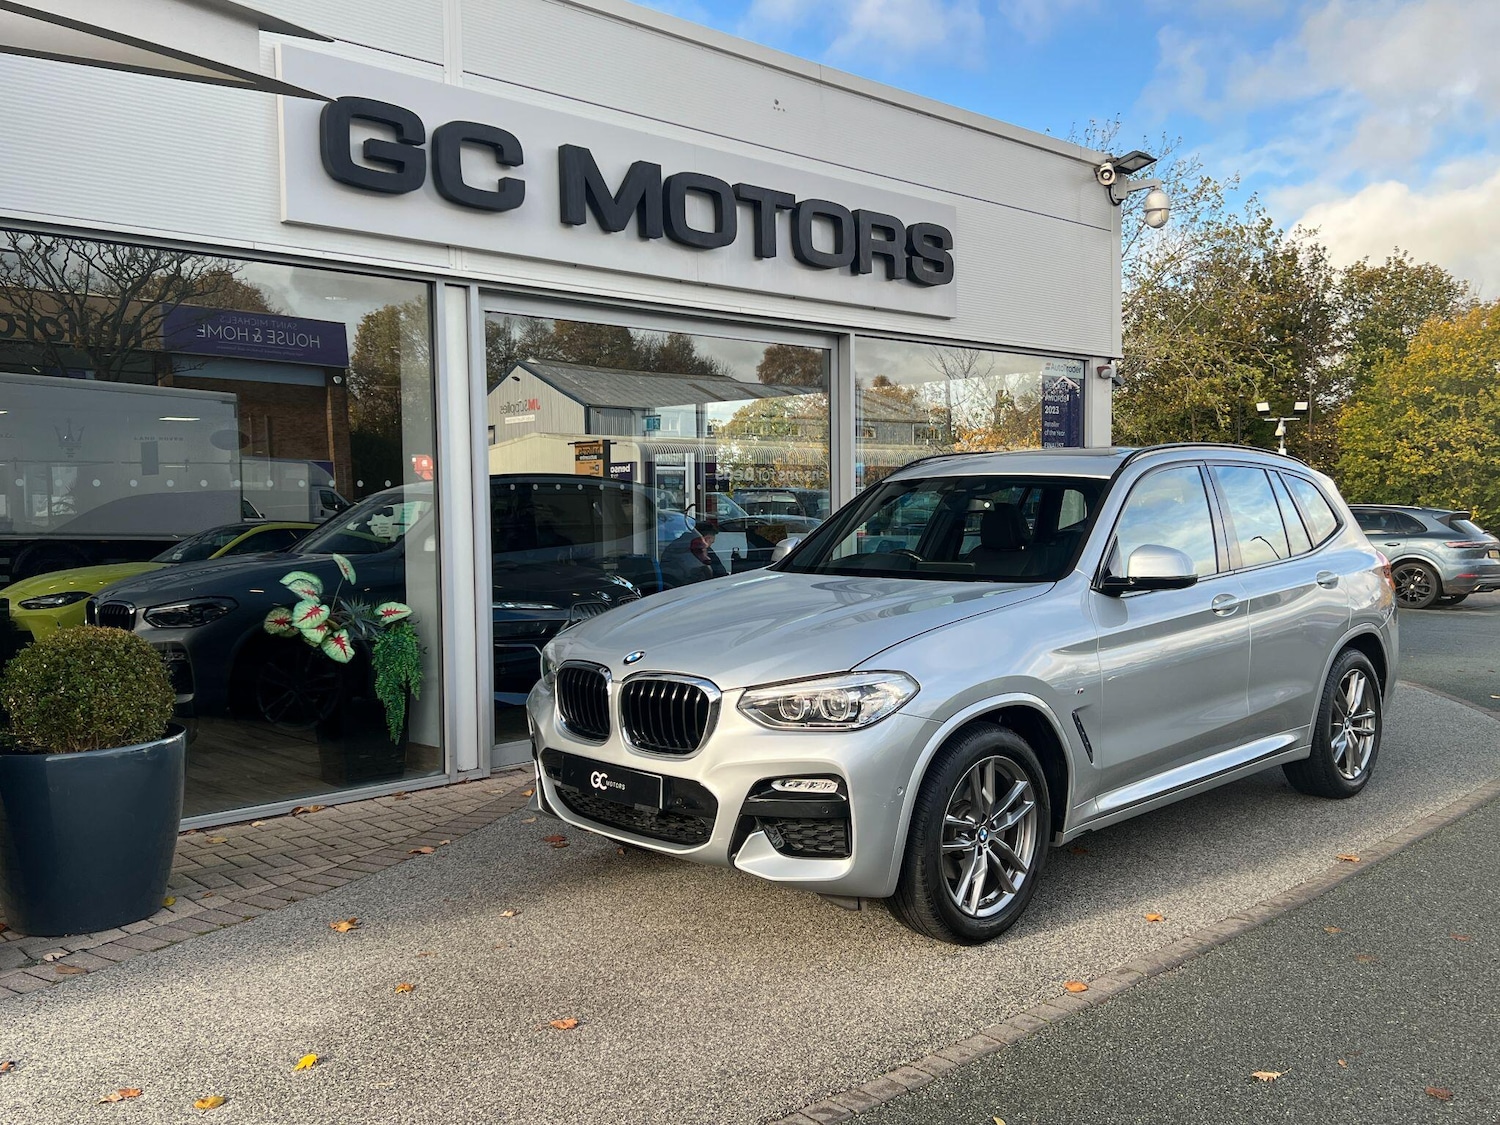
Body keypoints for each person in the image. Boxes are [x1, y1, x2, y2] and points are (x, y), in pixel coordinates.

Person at [659, 517, 728, 587]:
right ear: (707, 539)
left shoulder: (679, 544)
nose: (710, 545)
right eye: (711, 542)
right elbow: (720, 572)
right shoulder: (697, 548)